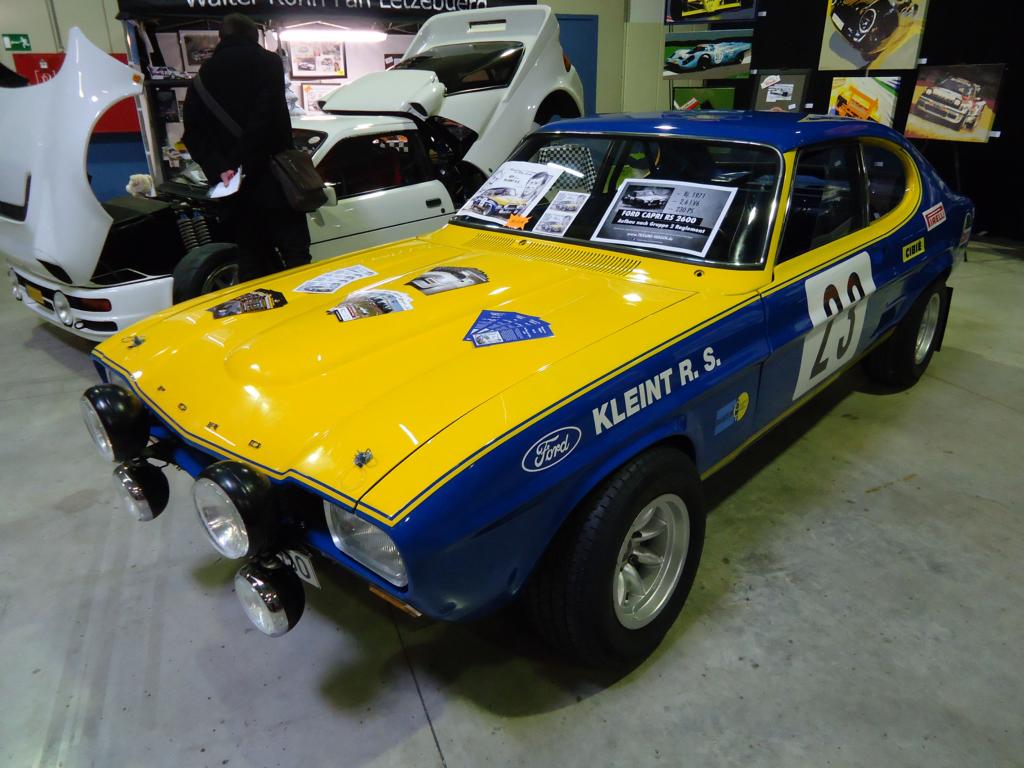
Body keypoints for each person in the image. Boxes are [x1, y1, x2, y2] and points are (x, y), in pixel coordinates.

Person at [182, 13, 310, 279]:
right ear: (255, 36)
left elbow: (193, 135)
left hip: (234, 189)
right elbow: (265, 119)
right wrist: (240, 160)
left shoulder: (201, 78)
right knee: (296, 256)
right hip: (274, 180)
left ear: (221, 38)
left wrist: (223, 168)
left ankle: (260, 317)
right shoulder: (268, 63)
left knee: (252, 258)